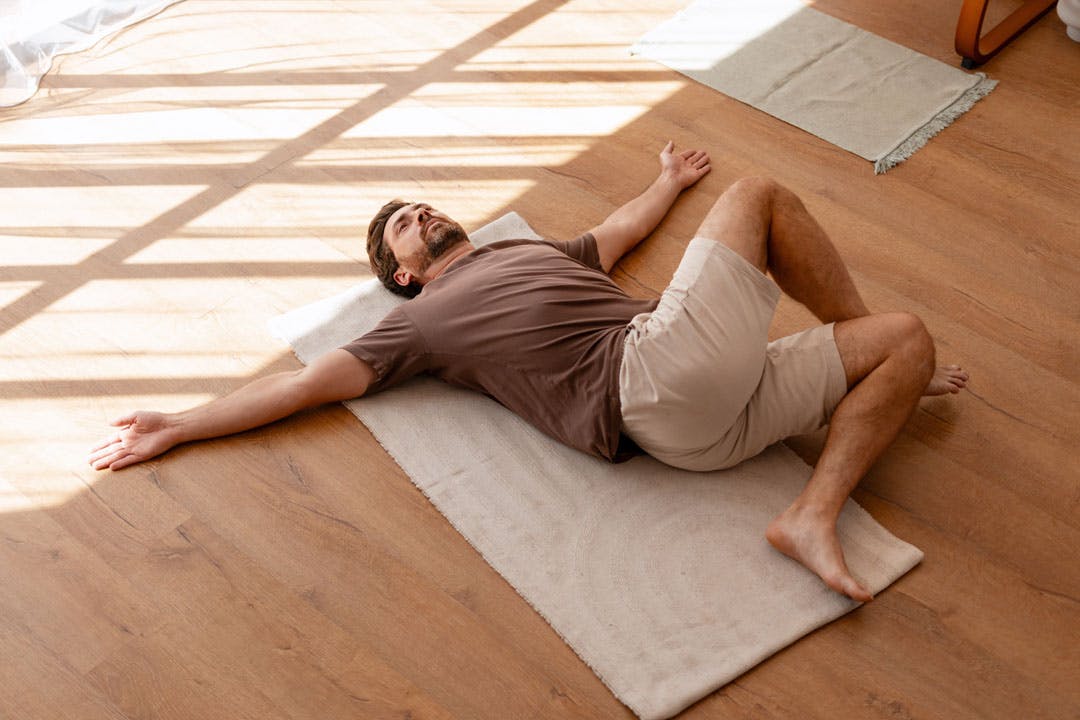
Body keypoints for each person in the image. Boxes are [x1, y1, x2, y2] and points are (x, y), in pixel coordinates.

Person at [89, 142, 968, 602]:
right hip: (644, 379)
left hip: (703, 435)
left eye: (420, 204)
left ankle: (810, 516)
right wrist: (181, 425)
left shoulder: (527, 251)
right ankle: (851, 350)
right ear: (404, 276)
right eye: (403, 224)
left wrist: (665, 181)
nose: (421, 212)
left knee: (907, 339)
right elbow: (301, 385)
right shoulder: (420, 322)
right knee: (759, 194)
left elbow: (617, 232)